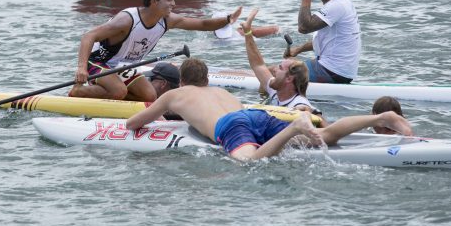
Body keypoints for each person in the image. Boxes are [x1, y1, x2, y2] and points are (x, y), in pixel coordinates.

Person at [126, 58, 413, 161]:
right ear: (207, 80)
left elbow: (133, 124)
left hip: (231, 127)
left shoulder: (176, 93)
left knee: (248, 161)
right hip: (255, 116)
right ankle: (382, 116)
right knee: (325, 138)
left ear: (184, 80)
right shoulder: (221, 90)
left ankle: (295, 128)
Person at [71, 0, 242, 102]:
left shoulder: (167, 20)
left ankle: (107, 95)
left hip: (121, 66)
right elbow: (89, 36)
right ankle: (79, 92)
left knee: (149, 95)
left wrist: (228, 19)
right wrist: (81, 68)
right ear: (154, 1)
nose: (173, 4)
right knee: (118, 90)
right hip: (98, 62)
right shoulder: (127, 20)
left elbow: (203, 24)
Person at [285, 0, 361, 84]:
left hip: (332, 71)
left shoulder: (337, 5)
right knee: (282, 68)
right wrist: (297, 50)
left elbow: (303, 27)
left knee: (277, 72)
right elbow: (324, 39)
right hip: (340, 71)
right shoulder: (339, 3)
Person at [239, 8, 313, 112]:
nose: (274, 70)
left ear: (289, 79)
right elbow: (258, 65)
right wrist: (247, 33)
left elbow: (323, 124)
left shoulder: (299, 104)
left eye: (280, 68)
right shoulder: (276, 92)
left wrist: (309, 111)